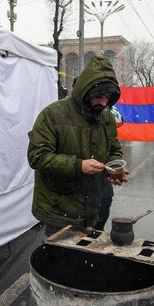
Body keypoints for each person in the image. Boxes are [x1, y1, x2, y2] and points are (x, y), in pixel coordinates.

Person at [27, 55, 129, 235]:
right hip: (61, 208)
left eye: (107, 97)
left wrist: (113, 168)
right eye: (98, 96)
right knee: (61, 258)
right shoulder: (53, 115)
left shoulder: (106, 116)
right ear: (85, 92)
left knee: (92, 254)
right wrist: (78, 165)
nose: (104, 103)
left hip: (97, 205)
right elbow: (37, 156)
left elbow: (114, 149)